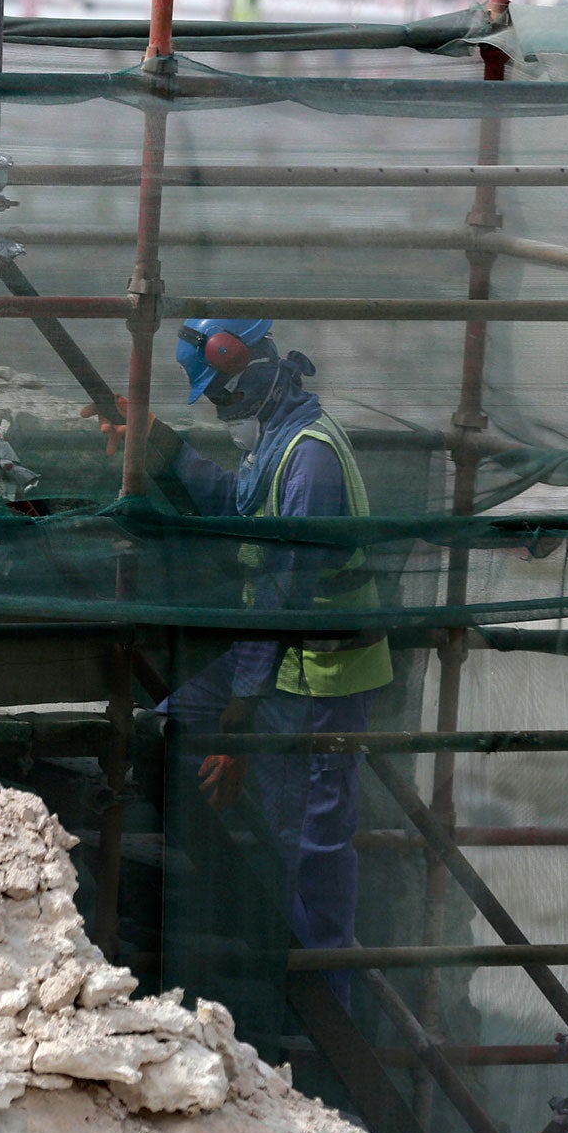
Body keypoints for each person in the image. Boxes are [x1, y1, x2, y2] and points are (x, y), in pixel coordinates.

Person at [82, 318, 391, 1001]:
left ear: (250, 374)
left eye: (222, 401)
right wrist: (160, 445)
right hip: (276, 664)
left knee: (312, 845)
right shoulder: (276, 442)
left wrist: (239, 730)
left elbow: (284, 593)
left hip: (321, 677)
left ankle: (322, 1001)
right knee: (165, 734)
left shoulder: (309, 457)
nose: (223, 417)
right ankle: (215, 913)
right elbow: (236, 503)